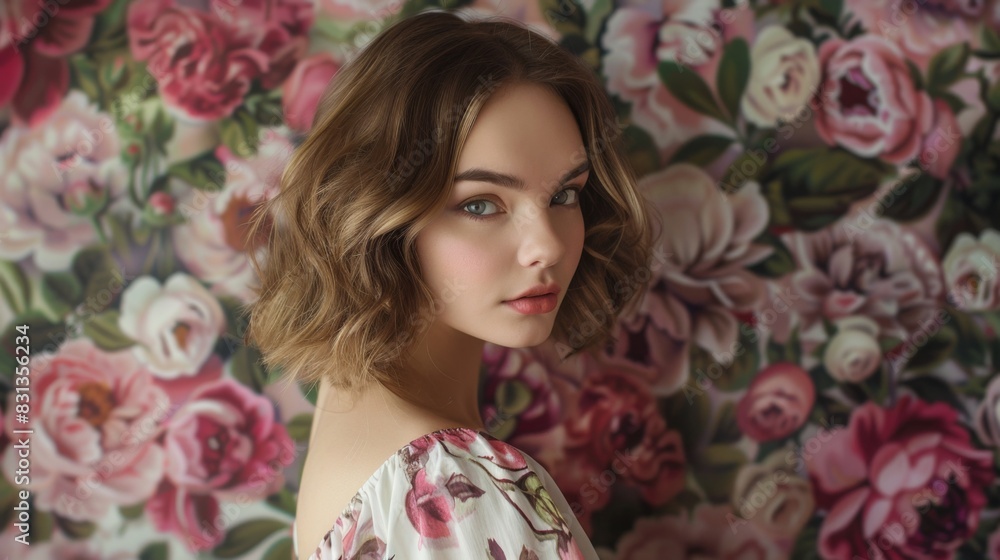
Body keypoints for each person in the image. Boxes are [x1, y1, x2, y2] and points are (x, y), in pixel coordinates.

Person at [242, 8, 658, 559]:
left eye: (564, 195)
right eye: (481, 204)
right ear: (379, 217)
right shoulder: (448, 483)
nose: (549, 246)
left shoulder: (349, 401)